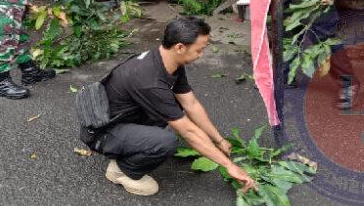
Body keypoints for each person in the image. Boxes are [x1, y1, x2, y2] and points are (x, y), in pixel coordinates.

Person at [81, 17, 257, 196]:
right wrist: (230, 166)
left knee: (170, 110)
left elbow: (191, 104)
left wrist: (218, 140)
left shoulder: (168, 62)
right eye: (199, 50)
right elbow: (187, 131)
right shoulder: (149, 80)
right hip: (101, 132)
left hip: (120, 116)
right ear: (180, 47)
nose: (201, 54)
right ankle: (121, 170)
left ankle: (130, 144)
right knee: (167, 141)